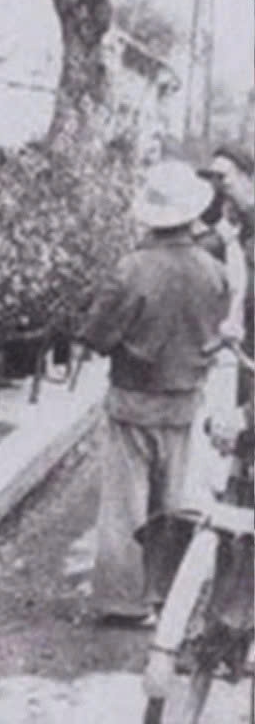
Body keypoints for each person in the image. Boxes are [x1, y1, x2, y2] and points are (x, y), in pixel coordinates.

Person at [77, 160, 229, 627]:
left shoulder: (132, 269)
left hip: (133, 397)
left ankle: (123, 600)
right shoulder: (213, 270)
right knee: (172, 500)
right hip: (185, 399)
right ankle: (166, 594)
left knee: (126, 505)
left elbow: (98, 335)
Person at [198, 143, 255, 408]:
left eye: (224, 178)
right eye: (212, 178)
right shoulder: (226, 219)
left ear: (248, 178)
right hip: (239, 345)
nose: (217, 186)